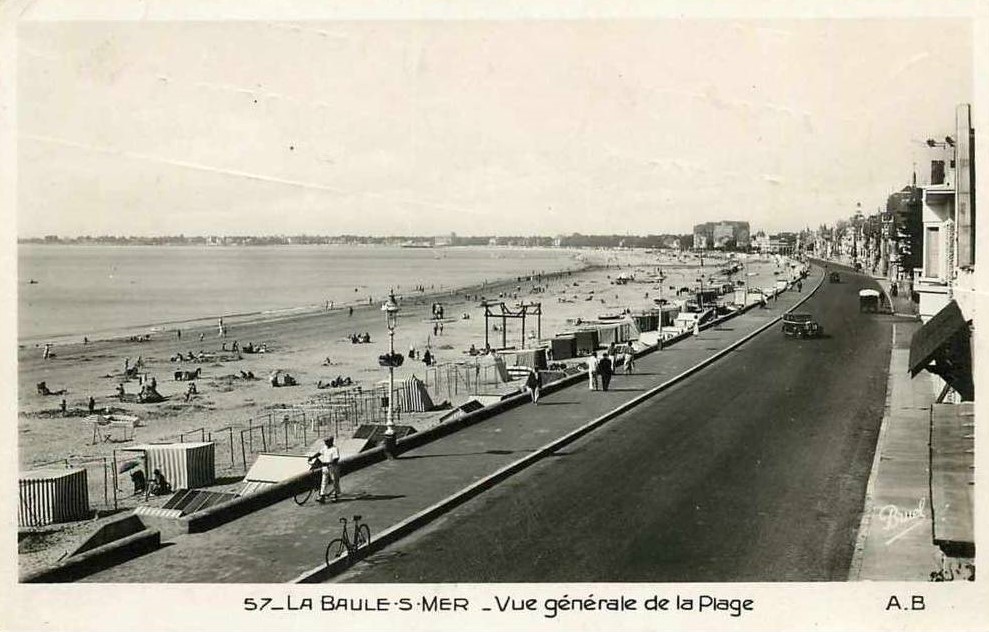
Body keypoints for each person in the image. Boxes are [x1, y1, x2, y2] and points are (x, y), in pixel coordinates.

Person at [308, 437, 341, 503]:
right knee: (324, 481)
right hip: (325, 467)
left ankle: (335, 495)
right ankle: (322, 496)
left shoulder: (335, 449)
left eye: (327, 442)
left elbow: (336, 458)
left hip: (333, 467)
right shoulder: (325, 448)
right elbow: (319, 453)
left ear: (331, 441)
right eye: (325, 442)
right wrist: (312, 457)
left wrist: (330, 463)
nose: (325, 443)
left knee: (334, 481)